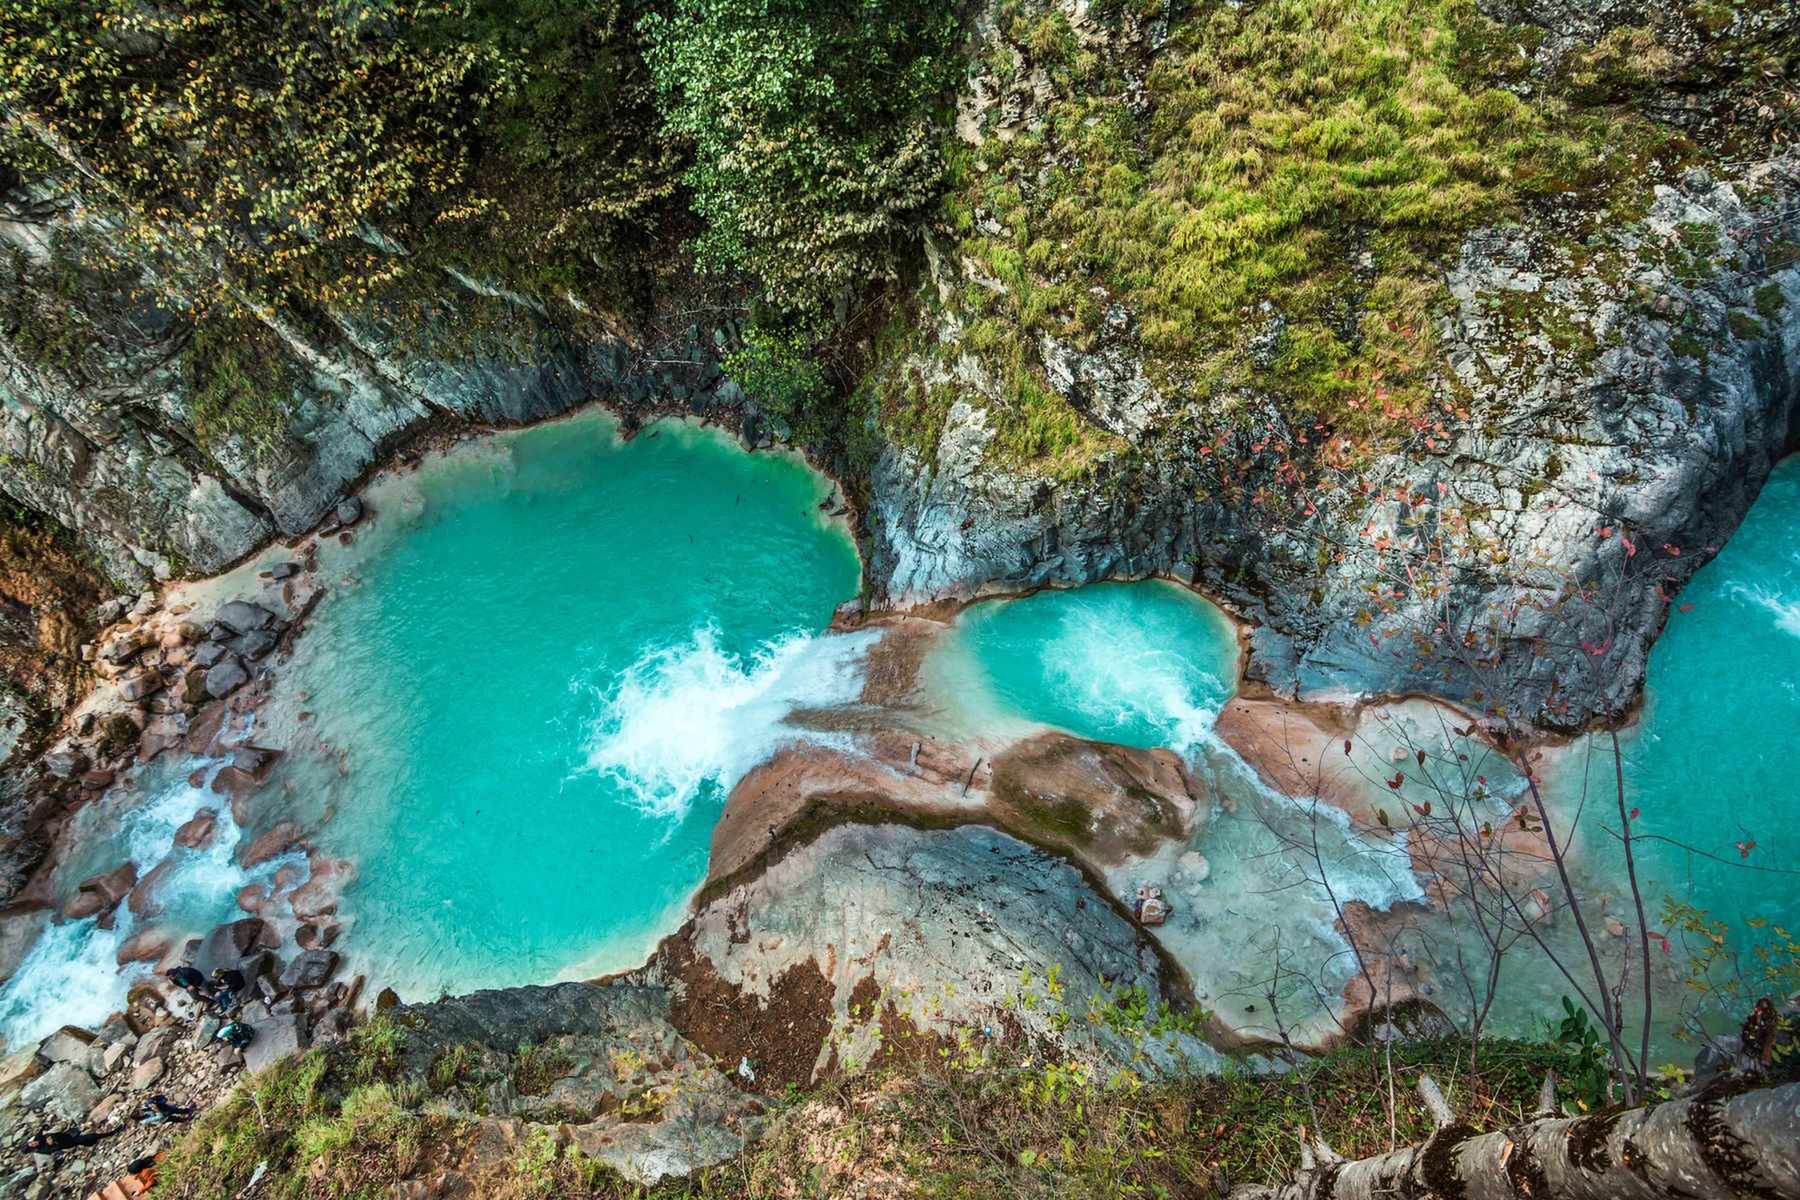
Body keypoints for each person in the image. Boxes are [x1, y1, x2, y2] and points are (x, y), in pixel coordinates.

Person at [21, 1125, 112, 1155]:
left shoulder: (37, 1138)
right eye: (32, 1145)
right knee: (89, 1137)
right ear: (33, 1149)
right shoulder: (41, 1150)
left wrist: (44, 1127)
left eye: (31, 1142)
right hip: (67, 1143)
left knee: (85, 1137)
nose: (34, 1143)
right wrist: (50, 1144)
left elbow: (40, 1132)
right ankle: (111, 1133)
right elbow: (53, 1149)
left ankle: (91, 1142)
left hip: (65, 1135)